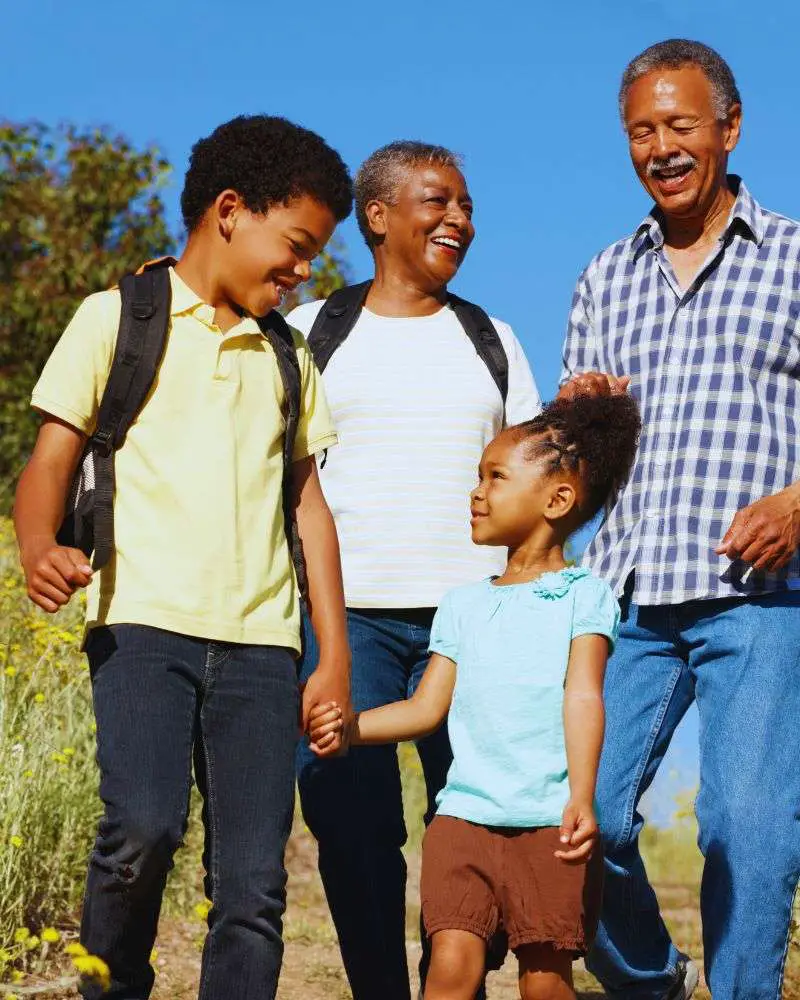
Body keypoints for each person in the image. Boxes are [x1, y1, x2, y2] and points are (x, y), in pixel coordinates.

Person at [14, 115, 354, 1000]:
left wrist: (334, 659)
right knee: (143, 830)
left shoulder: (288, 357)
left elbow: (309, 507)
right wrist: (39, 545)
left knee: (252, 886)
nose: (304, 270)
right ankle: (110, 983)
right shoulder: (117, 318)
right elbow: (51, 458)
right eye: (297, 245)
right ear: (231, 211)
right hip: (141, 627)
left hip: (264, 648)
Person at [560, 39, 800, 1000]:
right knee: (584, 819)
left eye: (680, 125)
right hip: (628, 591)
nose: (660, 147)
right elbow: (577, 454)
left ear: (729, 131)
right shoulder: (604, 275)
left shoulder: (791, 255)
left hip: (759, 596)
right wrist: (578, 416)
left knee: (745, 820)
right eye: (641, 131)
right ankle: (652, 981)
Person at [287, 140, 542, 999]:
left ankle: (454, 979)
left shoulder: (492, 340)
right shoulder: (308, 330)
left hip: (473, 622)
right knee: (354, 829)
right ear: (379, 215)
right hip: (343, 620)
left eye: (467, 206)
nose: (459, 220)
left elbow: (536, 484)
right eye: (439, 202)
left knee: (470, 826)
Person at [309, 393, 641, 1000]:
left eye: (495, 477)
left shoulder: (585, 597)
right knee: (449, 972)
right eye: (476, 477)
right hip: (462, 821)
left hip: (549, 824)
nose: (476, 492)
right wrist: (351, 728)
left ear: (557, 500)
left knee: (544, 983)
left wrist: (584, 798)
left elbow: (584, 698)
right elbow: (425, 709)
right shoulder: (462, 604)